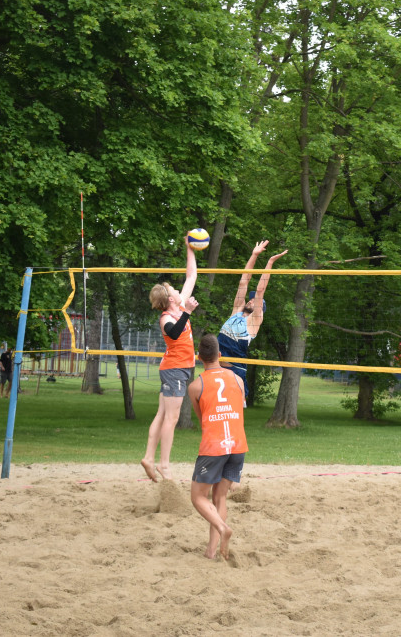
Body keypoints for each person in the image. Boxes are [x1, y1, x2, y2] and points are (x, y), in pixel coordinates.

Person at [142, 236, 199, 482]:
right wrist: (186, 312)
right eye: (175, 290)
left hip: (179, 368)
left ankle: (148, 457)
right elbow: (175, 333)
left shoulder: (179, 306)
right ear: (171, 298)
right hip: (174, 370)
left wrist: (189, 247)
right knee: (172, 418)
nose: (179, 289)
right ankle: (164, 465)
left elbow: (191, 276)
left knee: (162, 414)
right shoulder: (167, 317)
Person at [188, 334, 247, 560]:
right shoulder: (238, 380)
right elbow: (240, 409)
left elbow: (203, 417)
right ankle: (211, 551)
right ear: (220, 355)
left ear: (199, 358)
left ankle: (223, 528)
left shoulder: (195, 387)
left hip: (214, 447)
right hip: (237, 444)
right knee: (219, 498)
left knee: (198, 497)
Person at [217, 240, 287, 405]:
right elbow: (244, 281)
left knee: (235, 410)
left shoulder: (254, 320)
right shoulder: (236, 311)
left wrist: (269, 262)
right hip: (217, 365)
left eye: (257, 301)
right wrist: (254, 255)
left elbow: (261, 290)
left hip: (235, 369)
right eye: (251, 298)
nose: (252, 300)